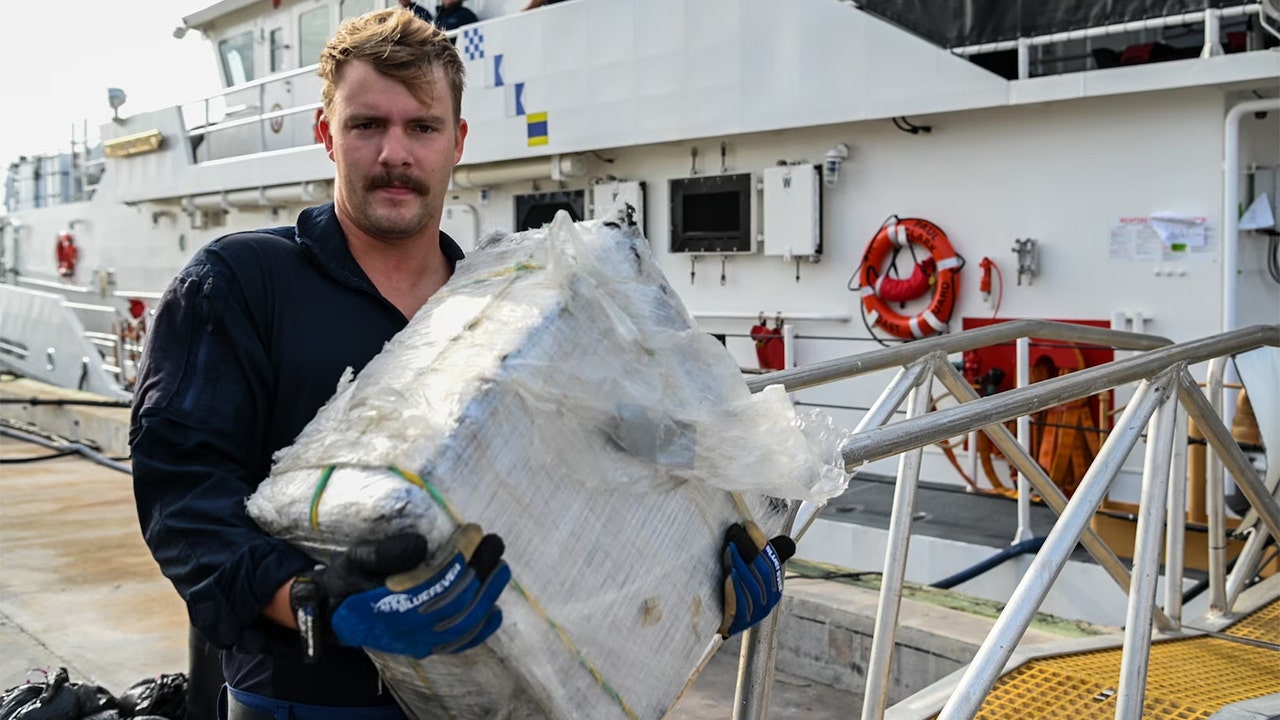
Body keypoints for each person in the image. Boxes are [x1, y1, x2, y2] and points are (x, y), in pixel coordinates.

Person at [131, 8, 793, 720]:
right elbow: (182, 493)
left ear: (457, 143)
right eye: (366, 125)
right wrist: (312, 603)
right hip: (308, 703)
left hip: (502, 698)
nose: (395, 153)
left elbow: (597, 479)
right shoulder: (241, 281)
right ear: (326, 135)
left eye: (421, 127)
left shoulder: (513, 308)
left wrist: (710, 564)